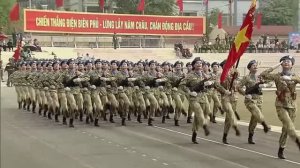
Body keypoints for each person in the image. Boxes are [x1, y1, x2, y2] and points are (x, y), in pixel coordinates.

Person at [260, 55, 300, 159]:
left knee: (286, 129)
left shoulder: (295, 76)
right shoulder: (277, 76)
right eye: (284, 61)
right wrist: (277, 65)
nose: (286, 62)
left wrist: (291, 78)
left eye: (289, 61)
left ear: (292, 65)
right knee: (289, 125)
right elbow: (263, 74)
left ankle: (281, 149)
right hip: (281, 105)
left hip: (292, 106)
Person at [237, 60, 271, 144]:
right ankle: (264, 124)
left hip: (259, 99)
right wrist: (245, 94)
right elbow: (238, 87)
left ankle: (250, 136)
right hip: (250, 100)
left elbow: (270, 82)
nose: (255, 66)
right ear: (249, 68)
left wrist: (265, 84)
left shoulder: (260, 77)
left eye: (256, 65)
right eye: (253, 65)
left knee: (255, 119)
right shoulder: (246, 77)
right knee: (256, 112)